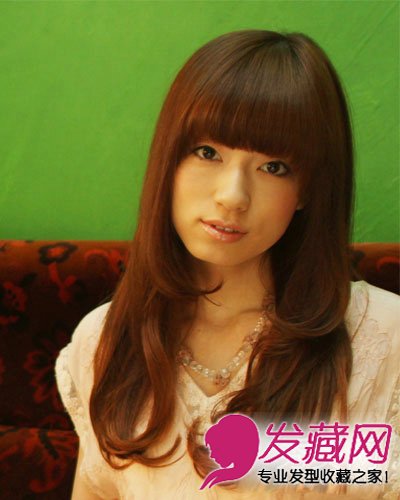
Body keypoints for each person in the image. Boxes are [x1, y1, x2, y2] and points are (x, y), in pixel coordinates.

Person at [55, 30, 400, 499]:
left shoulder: (379, 339)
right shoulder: (105, 340)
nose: (233, 196)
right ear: (168, 161)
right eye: (208, 153)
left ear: (308, 190)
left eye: (274, 167)